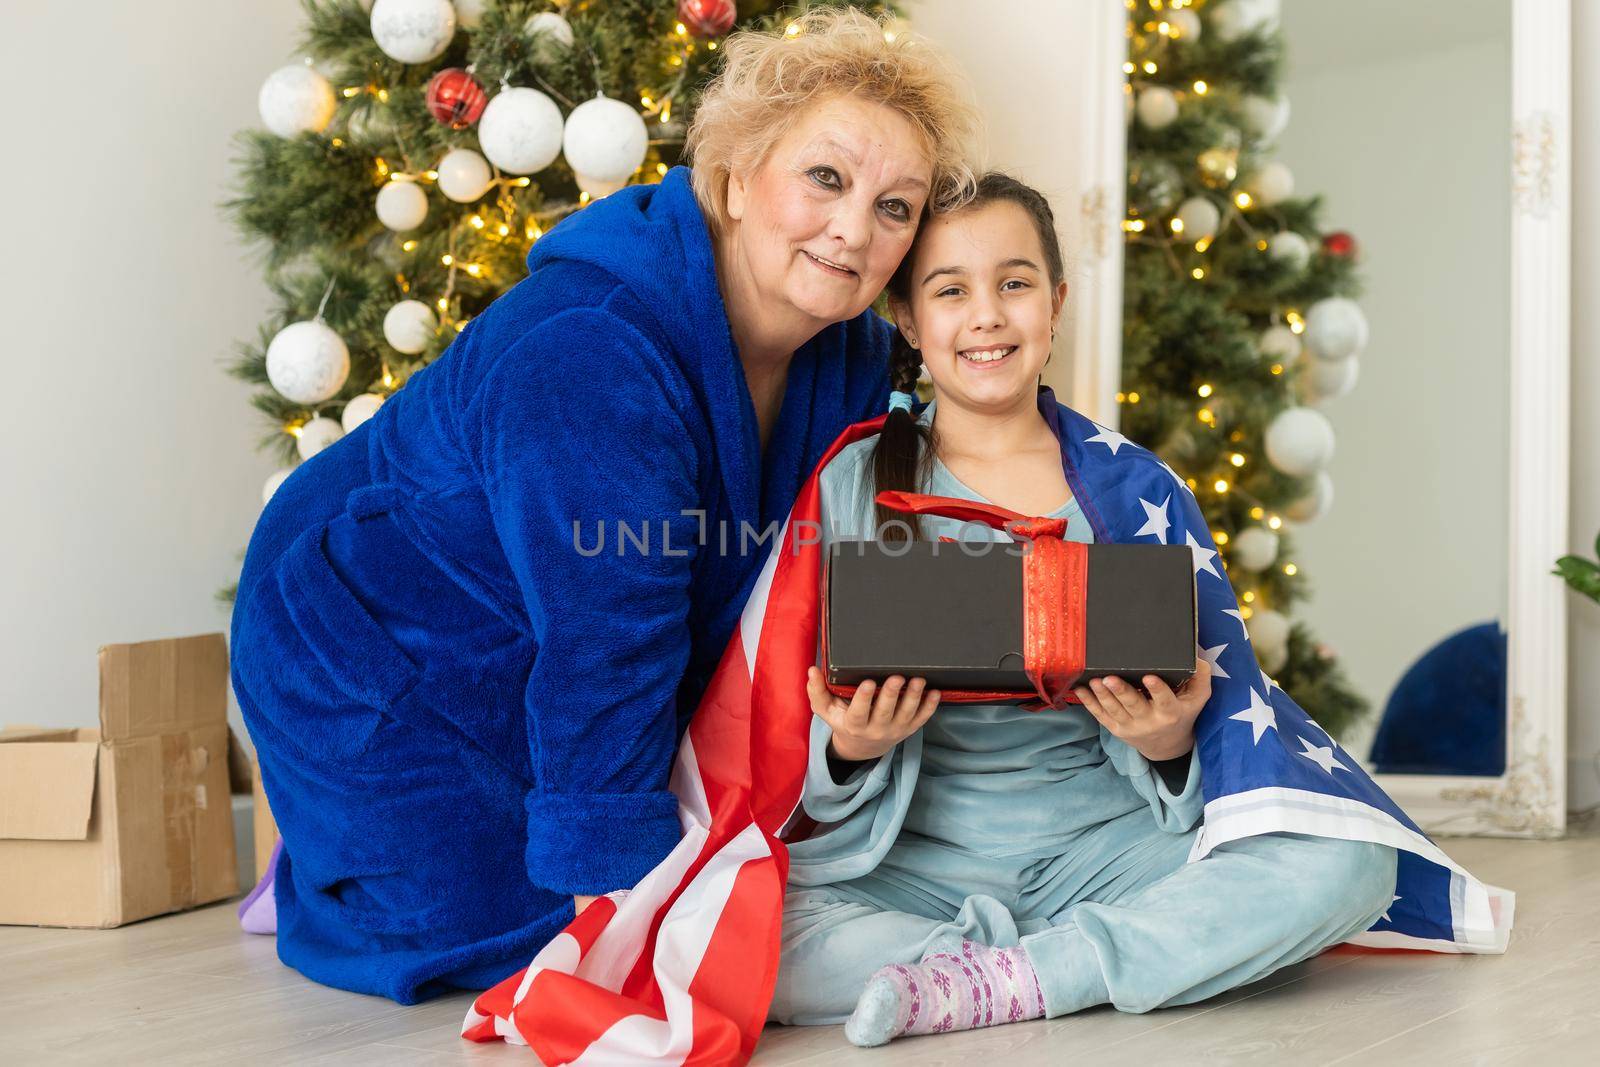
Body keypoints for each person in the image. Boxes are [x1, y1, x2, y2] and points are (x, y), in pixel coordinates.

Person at [228, 8, 978, 1004]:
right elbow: (607, 640)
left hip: (538, 630)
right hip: (365, 631)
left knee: (733, 890)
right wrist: (624, 918)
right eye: (826, 179)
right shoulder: (591, 353)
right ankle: (334, 865)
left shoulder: (843, 350)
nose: (854, 229)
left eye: (896, 207)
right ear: (731, 181)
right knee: (505, 939)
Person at [766, 173, 1399, 1045]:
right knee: (744, 929)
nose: (985, 315)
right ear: (908, 320)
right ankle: (1018, 960)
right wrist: (851, 746)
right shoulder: (852, 483)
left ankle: (1024, 974)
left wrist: (1167, 744)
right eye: (950, 291)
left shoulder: (1128, 489)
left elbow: (1203, 748)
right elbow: (776, 737)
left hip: (1106, 850)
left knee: (1350, 859)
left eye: (1014, 283)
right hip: (909, 865)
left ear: (1055, 304)